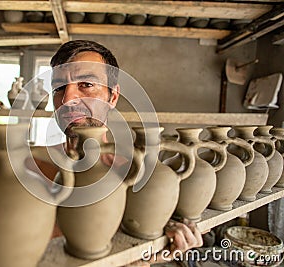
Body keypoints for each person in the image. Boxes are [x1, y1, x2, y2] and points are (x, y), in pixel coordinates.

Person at [33, 39, 203, 264]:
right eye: (59, 88)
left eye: (86, 84)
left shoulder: (138, 176)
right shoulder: (30, 167)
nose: (67, 99)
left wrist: (153, 253)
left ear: (112, 97)